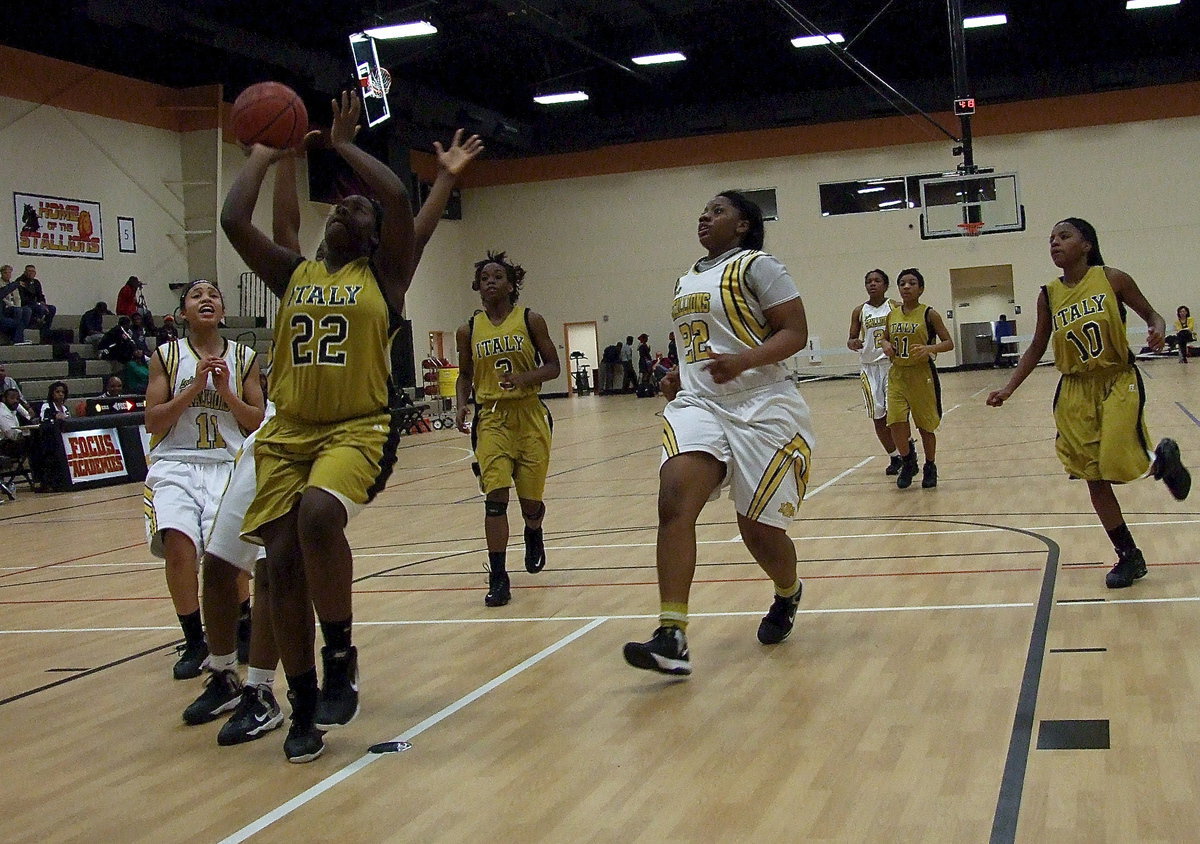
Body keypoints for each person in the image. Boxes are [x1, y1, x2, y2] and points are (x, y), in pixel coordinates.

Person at [187, 126, 481, 748]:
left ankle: (341, 652)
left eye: (358, 209)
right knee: (281, 563)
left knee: (318, 515)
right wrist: (265, 156)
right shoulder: (292, 274)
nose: (346, 209)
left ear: (376, 237)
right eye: (340, 205)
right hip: (287, 433)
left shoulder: (387, 278)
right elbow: (234, 218)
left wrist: (341, 147)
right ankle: (299, 703)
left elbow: (400, 203)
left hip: (358, 427)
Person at [622, 190, 812, 677]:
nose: (705, 217)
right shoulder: (686, 279)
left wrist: (744, 360)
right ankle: (672, 634)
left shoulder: (758, 266)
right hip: (700, 404)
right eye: (703, 211)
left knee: (759, 531)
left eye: (718, 210)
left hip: (764, 403)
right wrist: (678, 377)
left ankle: (788, 592)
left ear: (744, 224)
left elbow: (795, 332)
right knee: (673, 502)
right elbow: (695, 347)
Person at [987, 217, 1191, 588]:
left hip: (1116, 379)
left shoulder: (1113, 279)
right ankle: (1129, 556)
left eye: (1064, 236)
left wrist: (1159, 328)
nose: (1054, 243)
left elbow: (1153, 314)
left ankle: (1160, 463)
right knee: (1093, 476)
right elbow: (1036, 347)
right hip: (1074, 390)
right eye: (1051, 239)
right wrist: (1008, 388)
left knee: (1113, 460)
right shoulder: (1048, 294)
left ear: (1086, 245)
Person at [144, 279, 265, 682]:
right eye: (196, 296)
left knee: (228, 559)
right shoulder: (166, 356)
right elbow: (153, 420)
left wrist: (225, 391)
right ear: (183, 314)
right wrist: (195, 386)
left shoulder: (244, 357)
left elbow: (255, 422)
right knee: (180, 548)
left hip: (227, 464)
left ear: (223, 311)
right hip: (175, 464)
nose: (206, 299)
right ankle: (194, 639)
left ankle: (241, 626)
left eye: (214, 294)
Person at [455, 252, 560, 607]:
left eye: (498, 275)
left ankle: (534, 530)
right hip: (492, 418)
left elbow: (553, 366)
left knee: (531, 502)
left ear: (511, 284)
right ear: (477, 286)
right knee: (495, 498)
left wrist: (524, 378)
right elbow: (465, 374)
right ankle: (498, 577)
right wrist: (461, 403)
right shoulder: (468, 329)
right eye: (484, 277)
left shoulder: (531, 320)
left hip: (529, 416)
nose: (490, 281)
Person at [880, 268, 954, 490]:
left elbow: (948, 342)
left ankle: (930, 466)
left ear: (920, 288)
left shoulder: (929, 314)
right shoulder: (892, 314)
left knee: (925, 426)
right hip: (897, 374)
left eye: (912, 283)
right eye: (902, 283)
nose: (906, 287)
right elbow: (884, 338)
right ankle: (908, 460)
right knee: (895, 421)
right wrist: (885, 345)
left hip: (922, 375)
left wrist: (930, 348)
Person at [847, 269, 902, 474]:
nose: (873, 284)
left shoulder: (894, 306)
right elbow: (851, 338)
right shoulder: (859, 311)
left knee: (895, 415)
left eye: (877, 281)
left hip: (891, 366)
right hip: (869, 367)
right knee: (878, 416)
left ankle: (907, 452)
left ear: (886, 285)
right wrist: (854, 342)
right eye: (869, 281)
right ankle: (894, 456)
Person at [1, 264, 33, 344]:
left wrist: (18, 306)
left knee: (27, 310)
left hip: (14, 306)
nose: (8, 275)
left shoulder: (13, 283)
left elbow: (17, 297)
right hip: (6, 307)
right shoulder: (6, 284)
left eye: (9, 273)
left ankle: (18, 336)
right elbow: (3, 297)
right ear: (2, 273)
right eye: (5, 273)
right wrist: (15, 307)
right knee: (18, 311)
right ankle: (16, 338)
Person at [17, 265, 55, 331]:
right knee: (39, 308)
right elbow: (22, 297)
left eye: (33, 271)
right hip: (26, 304)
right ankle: (34, 324)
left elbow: (40, 295)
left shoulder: (36, 282)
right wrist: (38, 304)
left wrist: (43, 302)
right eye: (29, 271)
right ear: (25, 272)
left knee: (52, 308)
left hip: (37, 303)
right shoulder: (20, 281)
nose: (31, 273)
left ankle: (46, 329)